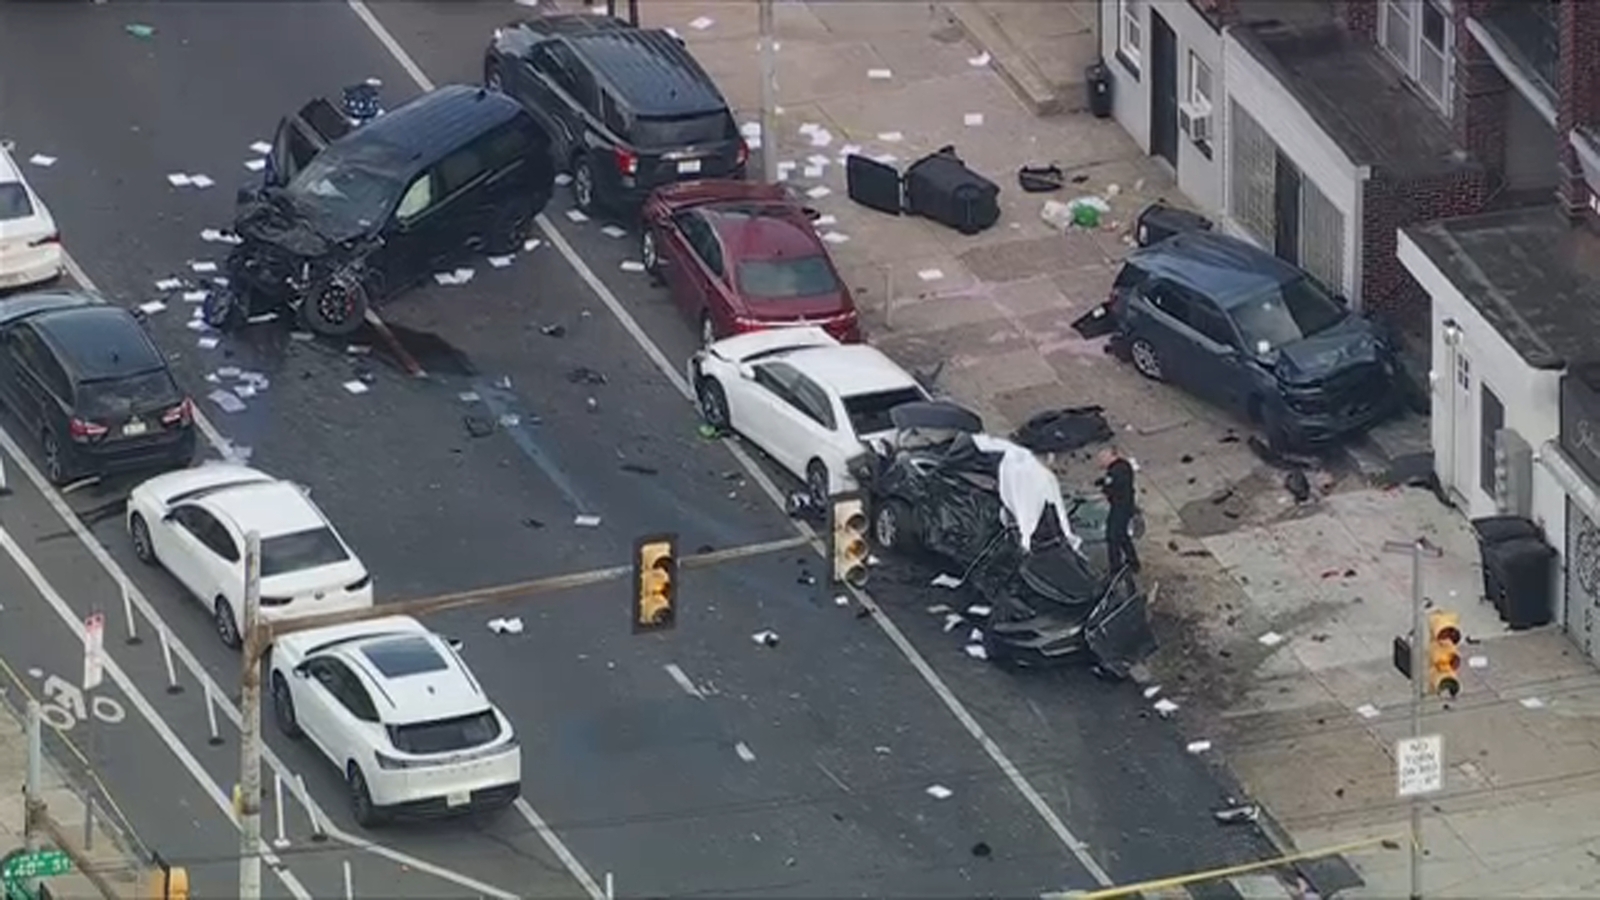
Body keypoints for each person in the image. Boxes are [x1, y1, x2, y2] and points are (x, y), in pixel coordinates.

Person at [1095, 446, 1140, 573]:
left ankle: (1116, 567)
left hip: (1121, 506)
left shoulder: (1116, 470)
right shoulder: (1123, 467)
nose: (1101, 462)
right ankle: (1132, 562)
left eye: (1102, 458)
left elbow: (1113, 485)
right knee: (1122, 535)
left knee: (1113, 536)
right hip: (1125, 505)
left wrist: (1105, 488)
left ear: (1110, 456)